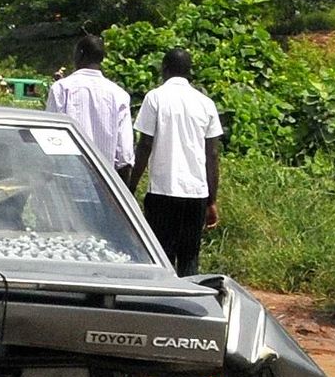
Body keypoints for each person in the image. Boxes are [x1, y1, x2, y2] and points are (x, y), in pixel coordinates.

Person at [128, 49, 223, 276]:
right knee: (190, 257)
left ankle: (163, 305)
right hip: (195, 194)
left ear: (164, 69)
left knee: (162, 256)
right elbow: (212, 155)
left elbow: (144, 146)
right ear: (189, 72)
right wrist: (211, 200)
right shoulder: (205, 103)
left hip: (162, 191)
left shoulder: (155, 98)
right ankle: (187, 304)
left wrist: (130, 187)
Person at [45, 34, 133, 179]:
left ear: (79, 54)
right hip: (105, 182)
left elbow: (50, 137)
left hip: (67, 178)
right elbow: (125, 155)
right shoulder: (119, 95)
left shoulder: (61, 88)